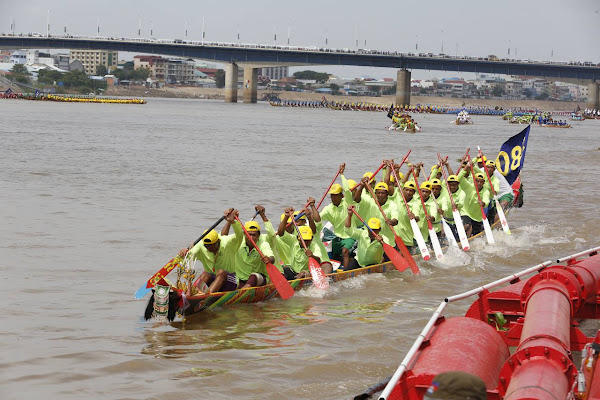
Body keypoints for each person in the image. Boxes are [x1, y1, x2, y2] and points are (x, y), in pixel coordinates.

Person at [179, 208, 242, 294]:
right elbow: (186, 259)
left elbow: (240, 236)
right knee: (205, 275)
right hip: (213, 279)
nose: (208, 248)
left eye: (211, 245)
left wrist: (232, 222)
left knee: (221, 272)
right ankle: (196, 295)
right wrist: (183, 254)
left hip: (230, 280)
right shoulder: (201, 246)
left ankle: (207, 297)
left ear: (218, 241)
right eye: (206, 246)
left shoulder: (227, 242)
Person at [316, 163, 357, 261]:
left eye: (336, 195)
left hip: (350, 236)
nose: (333, 198)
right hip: (337, 237)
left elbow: (347, 190)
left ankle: (346, 269)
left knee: (345, 251)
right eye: (332, 196)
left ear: (341, 196)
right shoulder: (328, 209)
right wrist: (311, 211)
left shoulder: (347, 202)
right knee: (333, 255)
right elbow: (317, 219)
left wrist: (342, 174)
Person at [278, 208, 329, 280]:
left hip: (307, 273)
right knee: (284, 269)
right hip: (294, 272)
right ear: (298, 238)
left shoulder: (314, 246)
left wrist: (312, 256)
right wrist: (286, 216)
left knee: (303, 273)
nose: (306, 242)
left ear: (311, 238)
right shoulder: (293, 241)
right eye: (304, 240)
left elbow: (318, 261)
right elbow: (280, 233)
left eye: (308, 240)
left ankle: (297, 281)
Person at [342, 206, 389, 270]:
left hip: (373, 265)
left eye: (375, 229)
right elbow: (348, 230)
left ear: (379, 229)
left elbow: (389, 251)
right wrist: (349, 215)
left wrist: (382, 242)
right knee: (348, 268)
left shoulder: (384, 238)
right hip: (359, 262)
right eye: (371, 229)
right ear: (367, 228)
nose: (372, 232)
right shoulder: (362, 234)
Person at [235, 220, 275, 289]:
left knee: (253, 277)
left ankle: (242, 292)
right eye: (249, 234)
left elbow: (272, 258)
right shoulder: (238, 242)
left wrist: (268, 259)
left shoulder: (263, 244)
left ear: (259, 235)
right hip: (240, 278)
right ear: (244, 234)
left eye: (254, 235)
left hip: (258, 278)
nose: (251, 238)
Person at [458, 163, 490, 237]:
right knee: (467, 225)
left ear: (483, 183)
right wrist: (466, 167)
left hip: (477, 217)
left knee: (476, 236)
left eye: (481, 182)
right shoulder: (468, 186)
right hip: (465, 212)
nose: (479, 183)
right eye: (477, 181)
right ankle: (461, 238)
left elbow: (486, 201)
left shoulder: (486, 191)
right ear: (474, 181)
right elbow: (459, 178)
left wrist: (483, 203)